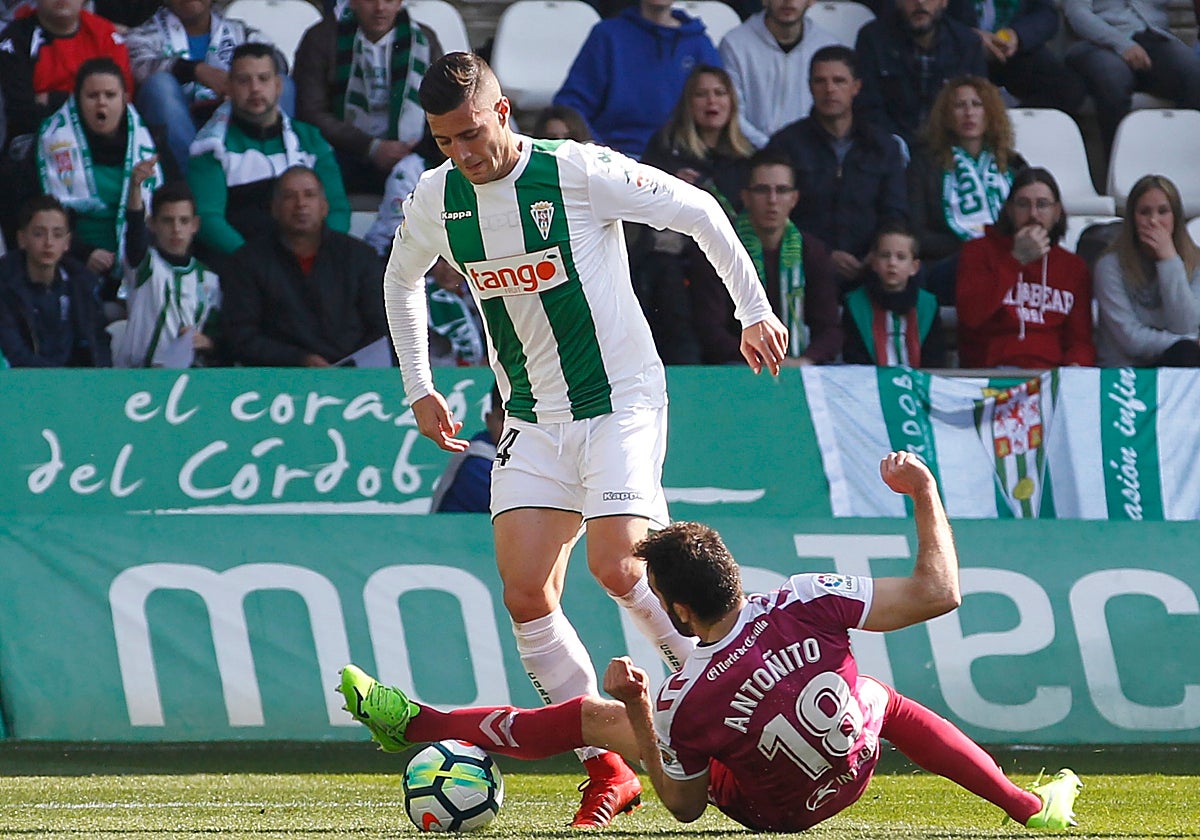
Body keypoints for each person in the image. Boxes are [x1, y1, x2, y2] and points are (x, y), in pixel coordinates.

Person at [380, 52, 787, 828]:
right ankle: (608, 766)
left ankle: (721, 696)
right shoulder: (437, 199)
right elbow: (400, 280)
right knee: (526, 591)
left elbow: (697, 209)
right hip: (530, 416)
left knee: (617, 562)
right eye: (443, 141)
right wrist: (420, 386)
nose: (461, 153)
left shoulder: (576, 172)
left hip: (620, 403)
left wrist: (753, 308)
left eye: (469, 132)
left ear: (502, 113)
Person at [336, 451, 1084, 834]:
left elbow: (689, 810)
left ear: (680, 613)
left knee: (590, 720)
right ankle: (1026, 806)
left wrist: (634, 711)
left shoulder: (681, 697)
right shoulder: (806, 597)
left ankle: (414, 724)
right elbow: (938, 592)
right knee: (880, 699)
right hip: (850, 771)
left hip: (775, 813)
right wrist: (923, 493)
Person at [187, 42, 351, 275]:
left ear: (278, 85)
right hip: (244, 270)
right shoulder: (209, 147)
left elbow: (337, 209)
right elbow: (209, 219)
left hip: (312, 264)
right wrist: (259, 264)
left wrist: (317, 255)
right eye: (244, 80)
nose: (255, 89)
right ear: (230, 88)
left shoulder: (311, 139)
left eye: (263, 79)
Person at [638, 64, 755, 363]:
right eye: (701, 95)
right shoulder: (664, 148)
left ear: (732, 101)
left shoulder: (747, 158)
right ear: (688, 104)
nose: (711, 102)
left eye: (719, 93)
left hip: (727, 258)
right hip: (675, 259)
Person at [766, 45, 908, 286]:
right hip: (802, 267)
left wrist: (878, 253)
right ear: (810, 87)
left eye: (839, 81)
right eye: (820, 81)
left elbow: (896, 212)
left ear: (856, 87)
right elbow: (775, 214)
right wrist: (822, 254)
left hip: (873, 269)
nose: (829, 89)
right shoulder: (785, 144)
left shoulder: (883, 146)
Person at [0, 0, 134, 248]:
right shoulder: (16, 38)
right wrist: (83, 102)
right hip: (35, 138)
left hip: (101, 136)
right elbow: (20, 110)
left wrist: (53, 98)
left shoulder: (105, 35)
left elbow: (121, 101)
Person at [223, 165, 387, 367]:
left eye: (309, 195)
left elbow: (381, 327)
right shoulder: (247, 261)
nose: (300, 204)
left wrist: (348, 366)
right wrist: (298, 360)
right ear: (274, 208)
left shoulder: (360, 257)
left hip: (353, 381)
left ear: (324, 207)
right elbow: (241, 335)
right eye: (290, 196)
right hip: (277, 381)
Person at [688, 149, 841, 364]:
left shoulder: (813, 252)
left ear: (794, 198)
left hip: (799, 367)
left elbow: (829, 329)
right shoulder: (717, 247)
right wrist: (763, 359)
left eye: (782, 190)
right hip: (737, 367)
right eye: (762, 190)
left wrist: (805, 360)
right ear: (746, 197)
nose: (772, 200)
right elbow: (710, 329)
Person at [36, 57, 165, 298]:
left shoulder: (149, 144)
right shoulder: (50, 142)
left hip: (140, 262)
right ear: (77, 100)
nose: (101, 103)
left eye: (110, 95)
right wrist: (82, 252)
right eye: (93, 96)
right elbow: (30, 215)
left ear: (125, 99)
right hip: (70, 262)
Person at [293, 0, 443, 195]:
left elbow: (443, 101)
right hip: (344, 150)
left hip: (411, 150)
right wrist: (371, 147)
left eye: (389, 0)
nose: (380, 8)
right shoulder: (321, 38)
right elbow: (310, 111)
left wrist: (417, 145)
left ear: (400, 3)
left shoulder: (424, 39)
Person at [955, 167, 1095, 369]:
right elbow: (971, 315)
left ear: (1057, 212)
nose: (1033, 214)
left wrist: (1075, 367)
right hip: (992, 373)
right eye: (1023, 204)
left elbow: (1080, 340)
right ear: (1010, 210)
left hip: (1050, 377)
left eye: (1042, 205)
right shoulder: (978, 252)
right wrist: (1015, 261)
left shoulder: (1073, 267)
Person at [907, 75, 1026, 305]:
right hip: (950, 264)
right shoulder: (924, 165)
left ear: (989, 113)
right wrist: (976, 248)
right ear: (947, 116)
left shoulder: (1014, 164)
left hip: (1010, 260)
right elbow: (916, 235)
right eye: (960, 105)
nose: (969, 113)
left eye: (977, 105)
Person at [127, 0, 283, 175]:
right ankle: (195, 183)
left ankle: (279, 175)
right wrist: (196, 70)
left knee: (281, 83)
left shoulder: (239, 32)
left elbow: (278, 62)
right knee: (159, 85)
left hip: (236, 122)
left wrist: (241, 83)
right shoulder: (143, 35)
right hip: (179, 126)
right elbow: (138, 66)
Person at [552, 0, 722, 159]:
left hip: (683, 161)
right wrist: (600, 151)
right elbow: (570, 107)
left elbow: (723, 109)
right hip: (618, 160)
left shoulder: (699, 43)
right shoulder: (607, 36)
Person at [1063, 0, 1200, 155]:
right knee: (1112, 79)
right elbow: (1078, 14)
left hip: (1153, 36)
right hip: (1094, 41)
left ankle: (1182, 158)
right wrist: (1122, 44)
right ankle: (1118, 166)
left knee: (1193, 72)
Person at [1093, 174, 1200, 368]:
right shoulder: (1109, 265)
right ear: (1132, 219)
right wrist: (1187, 340)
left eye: (1163, 212)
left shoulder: (1196, 262)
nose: (1153, 221)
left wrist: (1168, 260)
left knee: (1186, 353)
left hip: (1177, 363)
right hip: (1124, 369)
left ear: (1175, 217)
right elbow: (1130, 339)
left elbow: (1185, 324)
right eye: (1144, 212)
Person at [116, 180, 222, 368]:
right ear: (151, 224)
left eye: (184, 221)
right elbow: (134, 232)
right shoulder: (144, 264)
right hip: (137, 379)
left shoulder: (210, 279)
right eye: (167, 220)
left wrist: (207, 342)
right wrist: (135, 187)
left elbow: (220, 333)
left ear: (195, 225)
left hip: (187, 381)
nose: (176, 230)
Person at [854, 0, 986, 149]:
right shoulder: (873, 39)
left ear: (944, 2)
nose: (920, 2)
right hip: (889, 148)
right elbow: (868, 107)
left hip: (950, 148)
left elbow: (981, 103)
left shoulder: (967, 43)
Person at [0, 194, 111, 367]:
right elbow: (13, 351)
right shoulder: (5, 284)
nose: (48, 242)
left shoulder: (82, 283)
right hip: (24, 384)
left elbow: (98, 342)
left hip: (77, 384)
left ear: (67, 242)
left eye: (57, 234)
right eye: (38, 234)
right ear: (22, 239)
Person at [718, 0, 842, 149]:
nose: (788, 1)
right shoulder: (735, 44)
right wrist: (769, 147)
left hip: (811, 154)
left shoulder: (827, 46)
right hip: (749, 153)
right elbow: (732, 110)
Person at [947, 0, 1086, 112]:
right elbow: (932, 15)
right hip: (960, 51)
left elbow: (1047, 15)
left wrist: (1018, 35)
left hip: (1013, 50)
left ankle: (1008, 130)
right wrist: (970, 38)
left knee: (1068, 89)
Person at [843, 222, 946, 366]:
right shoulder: (856, 303)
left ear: (914, 267)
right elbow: (854, 358)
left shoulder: (927, 305)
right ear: (873, 263)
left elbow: (934, 359)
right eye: (885, 255)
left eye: (901, 257)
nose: (892, 263)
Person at [431, 382, 504, 513]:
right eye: (503, 418)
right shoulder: (475, 462)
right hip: (450, 533)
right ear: (489, 420)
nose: (510, 428)